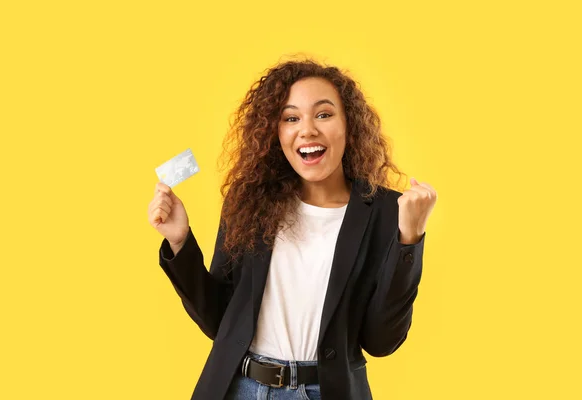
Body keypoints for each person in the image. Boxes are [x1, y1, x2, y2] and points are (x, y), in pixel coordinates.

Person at [147, 58, 437, 400]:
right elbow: (219, 322)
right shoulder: (251, 202)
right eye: (291, 118)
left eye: (324, 114)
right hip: (239, 388)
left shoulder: (388, 211)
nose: (308, 129)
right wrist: (180, 242)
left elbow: (382, 341)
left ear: (349, 125)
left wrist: (409, 240)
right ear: (276, 133)